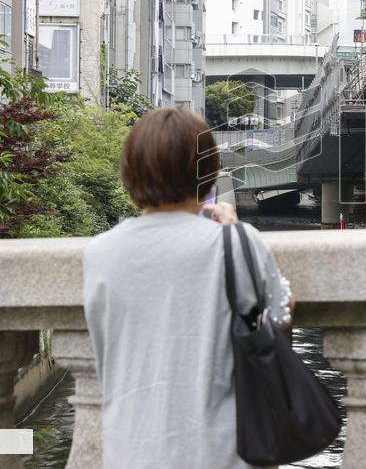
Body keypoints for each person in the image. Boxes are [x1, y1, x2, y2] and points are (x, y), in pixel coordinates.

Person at [83, 107, 293, 468]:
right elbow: (279, 318)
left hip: (131, 450)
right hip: (223, 452)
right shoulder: (237, 242)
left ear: (130, 172)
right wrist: (235, 234)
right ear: (208, 173)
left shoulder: (100, 253)